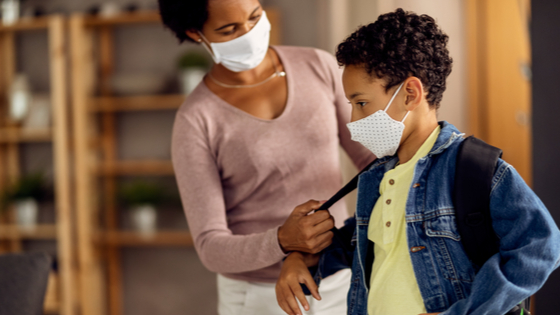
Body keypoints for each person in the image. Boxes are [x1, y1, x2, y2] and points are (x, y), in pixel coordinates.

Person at [275, 8, 560, 315]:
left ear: (410, 93)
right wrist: (296, 258)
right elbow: (362, 244)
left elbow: (541, 247)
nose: (353, 119)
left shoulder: (475, 170)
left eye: (361, 103)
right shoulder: (376, 176)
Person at [158, 0, 373, 314]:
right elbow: (210, 246)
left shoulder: (318, 66)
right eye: (229, 29)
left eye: (255, 16)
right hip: (260, 295)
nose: (249, 33)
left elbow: (372, 161)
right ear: (195, 34)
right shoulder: (196, 120)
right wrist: (283, 241)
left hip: (339, 279)